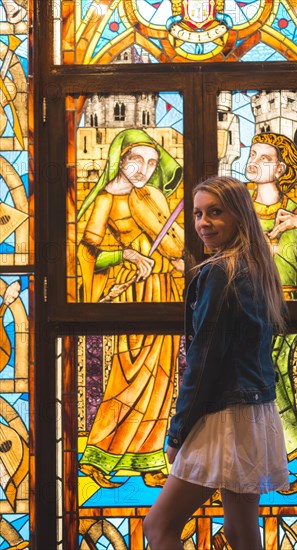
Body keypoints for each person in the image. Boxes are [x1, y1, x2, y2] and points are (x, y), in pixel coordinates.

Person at [144, 176, 289, 550]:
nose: (203, 223)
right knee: (242, 532)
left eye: (214, 213)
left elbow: (204, 358)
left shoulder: (219, 272)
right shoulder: (257, 267)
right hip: (254, 413)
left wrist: (178, 431)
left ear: (239, 216)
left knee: (158, 526)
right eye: (197, 214)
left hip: (223, 416)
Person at [77, 128, 185, 488]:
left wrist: (179, 263)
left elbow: (171, 240)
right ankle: (99, 456)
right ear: (119, 160)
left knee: (162, 378)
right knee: (127, 376)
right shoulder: (105, 200)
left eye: (152, 163)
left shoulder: (153, 196)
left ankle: (150, 459)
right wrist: (125, 253)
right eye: (136, 160)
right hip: (129, 293)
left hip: (162, 288)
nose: (143, 169)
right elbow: (88, 250)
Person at [245, 132, 297, 493]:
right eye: (252, 153)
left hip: (283, 307)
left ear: (280, 168)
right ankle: (296, 460)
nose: (254, 160)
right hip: (242, 308)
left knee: (268, 377)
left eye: (264, 157)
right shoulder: (238, 207)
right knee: (264, 380)